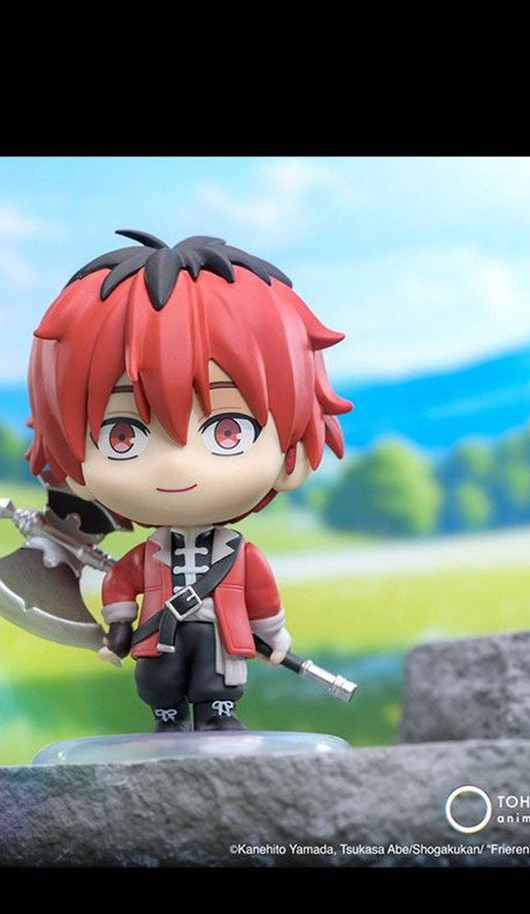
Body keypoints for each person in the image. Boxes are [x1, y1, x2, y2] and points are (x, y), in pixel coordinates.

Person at [27, 230, 351, 731]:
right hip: (159, 638)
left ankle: (218, 714)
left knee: (218, 679)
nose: (177, 464)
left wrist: (274, 635)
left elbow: (263, 598)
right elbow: (121, 583)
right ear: (75, 465)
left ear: (292, 457)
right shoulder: (148, 557)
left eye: (228, 431)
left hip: (222, 638)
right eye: (122, 435)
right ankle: (167, 716)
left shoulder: (239, 557)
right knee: (159, 681)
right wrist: (120, 626)